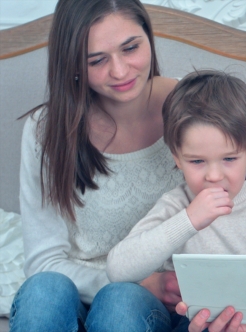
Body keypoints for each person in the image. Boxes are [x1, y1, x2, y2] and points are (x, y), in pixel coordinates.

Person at [10, 0, 185, 331]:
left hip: (162, 306)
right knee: (43, 291)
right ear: (73, 64)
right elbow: (44, 262)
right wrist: (129, 282)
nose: (119, 71)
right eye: (97, 61)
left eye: (130, 48)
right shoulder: (46, 129)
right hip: (79, 293)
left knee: (121, 304)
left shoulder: (195, 106)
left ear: (149, 37)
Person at [106, 70, 246, 332]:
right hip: (197, 324)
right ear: (177, 158)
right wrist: (188, 220)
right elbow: (118, 270)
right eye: (197, 161)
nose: (214, 176)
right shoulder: (177, 205)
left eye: (229, 159)